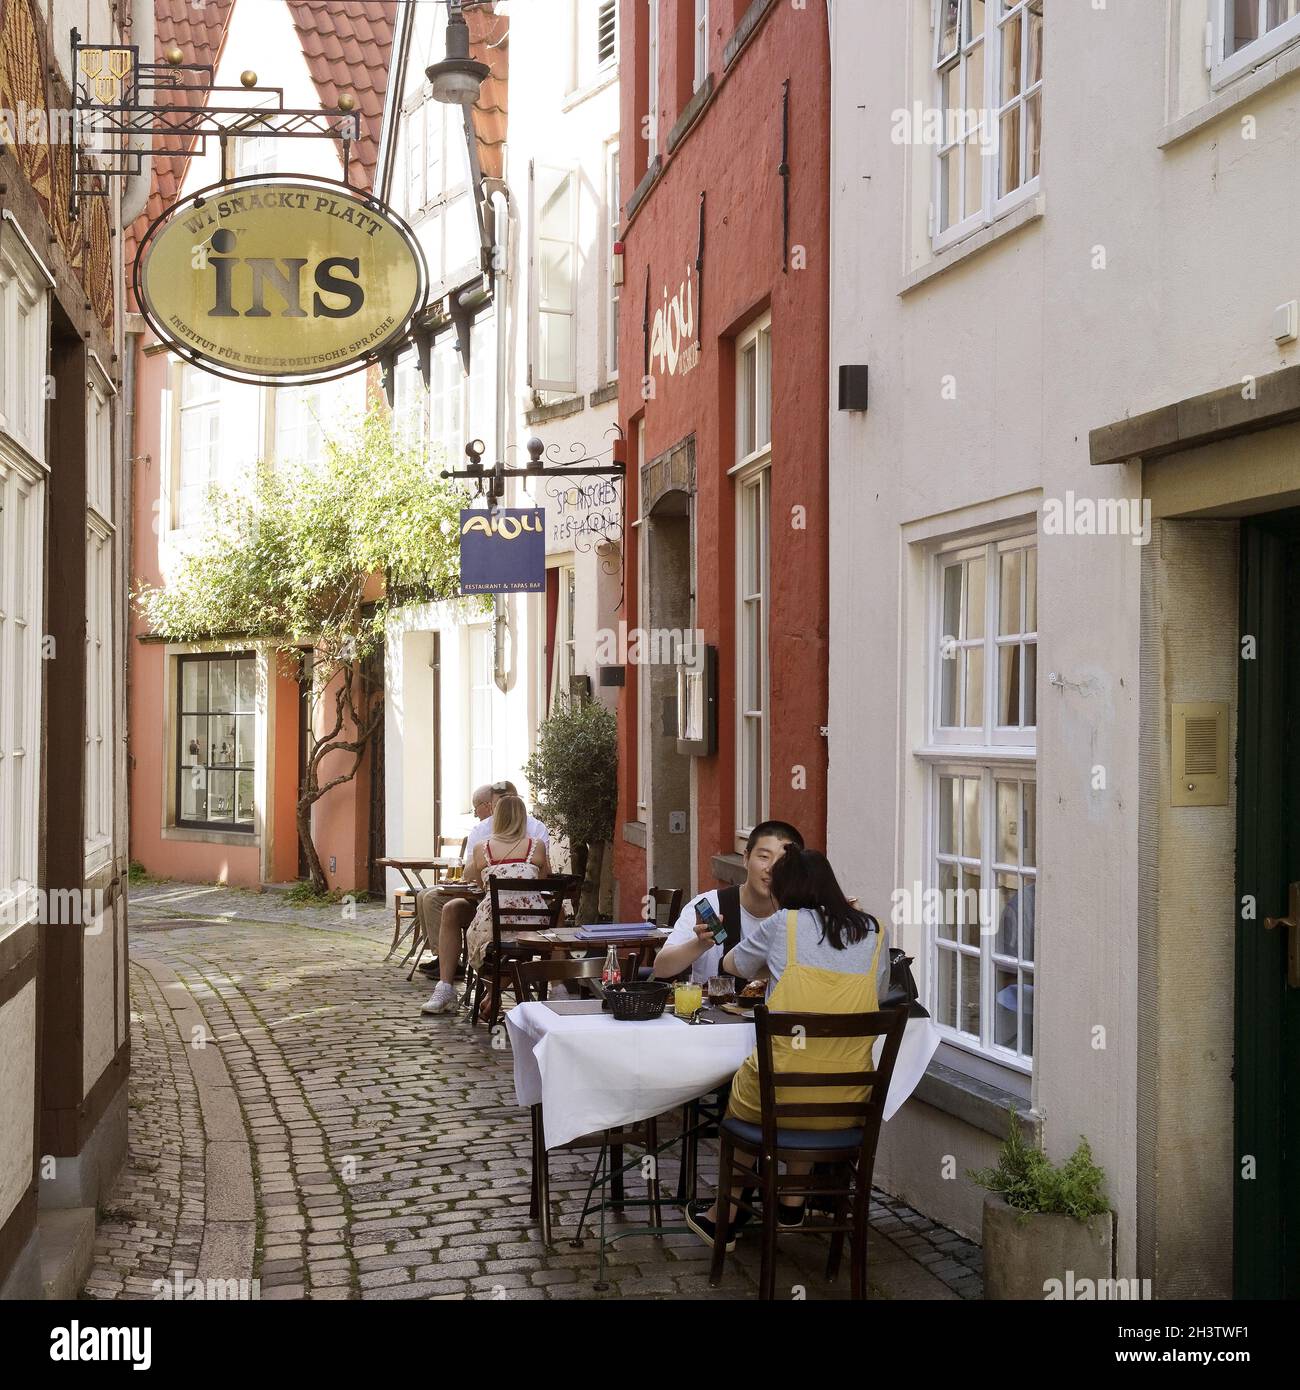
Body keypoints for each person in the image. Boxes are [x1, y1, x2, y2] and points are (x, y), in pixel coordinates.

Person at [683, 845, 890, 1250]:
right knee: (813, 1076)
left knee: (759, 1086)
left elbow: (732, 966)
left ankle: (723, 1216)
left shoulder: (783, 924)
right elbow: (877, 993)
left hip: (778, 1096)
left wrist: (770, 966)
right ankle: (792, 1204)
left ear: (786, 889)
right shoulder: (874, 930)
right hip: (847, 1101)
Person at [421, 794, 552, 1017]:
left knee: (486, 941)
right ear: (523, 818)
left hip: (495, 923)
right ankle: (557, 990)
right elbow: (545, 878)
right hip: (532, 925)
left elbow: (479, 885)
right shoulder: (537, 846)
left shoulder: (483, 849)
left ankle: (491, 994)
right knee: (456, 912)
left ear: (496, 818)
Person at [652, 821, 805, 985]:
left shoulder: (802, 917)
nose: (771, 868)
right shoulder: (710, 905)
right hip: (712, 1009)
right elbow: (661, 968)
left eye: (783, 861)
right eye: (764, 857)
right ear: (746, 858)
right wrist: (699, 944)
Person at [464, 780, 549, 857]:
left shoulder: (537, 828)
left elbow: (545, 870)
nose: (506, 809)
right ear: (490, 807)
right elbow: (470, 872)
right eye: (500, 805)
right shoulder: (479, 831)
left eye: (511, 804)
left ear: (518, 803)